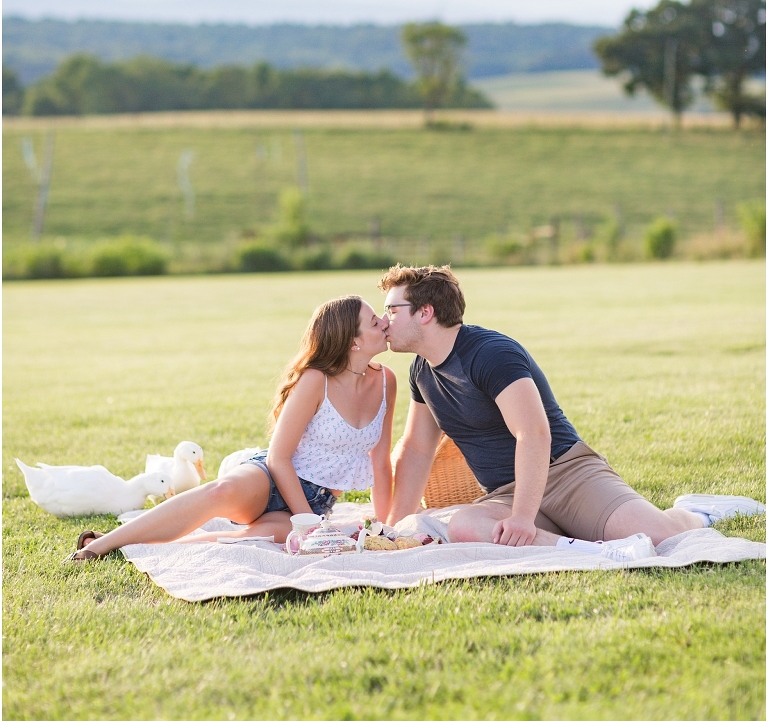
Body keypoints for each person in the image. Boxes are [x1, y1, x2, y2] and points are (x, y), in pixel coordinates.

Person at [382, 264, 764, 549]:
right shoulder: (422, 371)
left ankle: (697, 511)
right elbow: (417, 449)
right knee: (466, 526)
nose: (384, 321)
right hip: (504, 490)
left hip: (566, 473)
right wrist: (395, 525)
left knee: (663, 537)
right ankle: (588, 553)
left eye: (392, 310)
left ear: (426, 312)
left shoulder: (491, 353)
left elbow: (532, 433)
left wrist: (522, 519)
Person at [70, 296, 396, 560]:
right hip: (270, 479)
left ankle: (130, 546)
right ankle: (99, 546)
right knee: (220, 491)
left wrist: (385, 526)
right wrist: (308, 526)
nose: (385, 322)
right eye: (374, 321)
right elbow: (279, 458)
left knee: (248, 540)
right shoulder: (315, 381)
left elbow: (381, 463)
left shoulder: (385, 381)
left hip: (317, 504)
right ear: (353, 342)